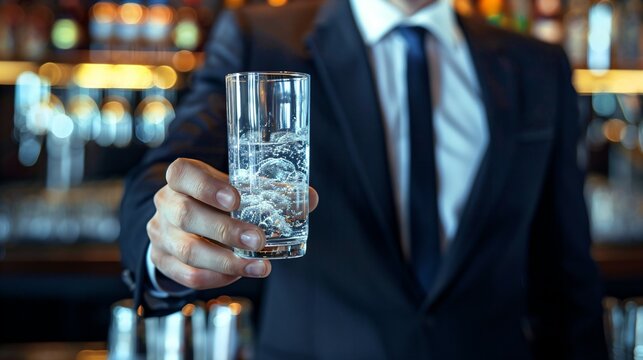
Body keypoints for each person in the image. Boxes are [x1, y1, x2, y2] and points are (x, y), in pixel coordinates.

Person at [119, 0, 608, 358]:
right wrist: (165, 238)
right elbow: (168, 171)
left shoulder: (536, 65)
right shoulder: (260, 36)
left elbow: (565, 278)